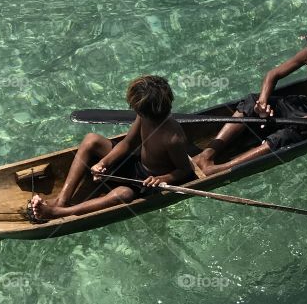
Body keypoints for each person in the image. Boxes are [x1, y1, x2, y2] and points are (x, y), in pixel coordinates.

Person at [193, 18, 307, 176]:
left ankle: (220, 169)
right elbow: (273, 74)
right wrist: (262, 102)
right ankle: (207, 154)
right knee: (251, 101)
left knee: (284, 137)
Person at [26, 75, 194, 223]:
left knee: (123, 195)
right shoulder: (144, 118)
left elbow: (184, 170)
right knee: (91, 139)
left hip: (146, 183)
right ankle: (62, 200)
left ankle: (60, 212)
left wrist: (161, 178)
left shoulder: (173, 138)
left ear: (145, 111)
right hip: (135, 165)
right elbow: (127, 144)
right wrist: (103, 162)